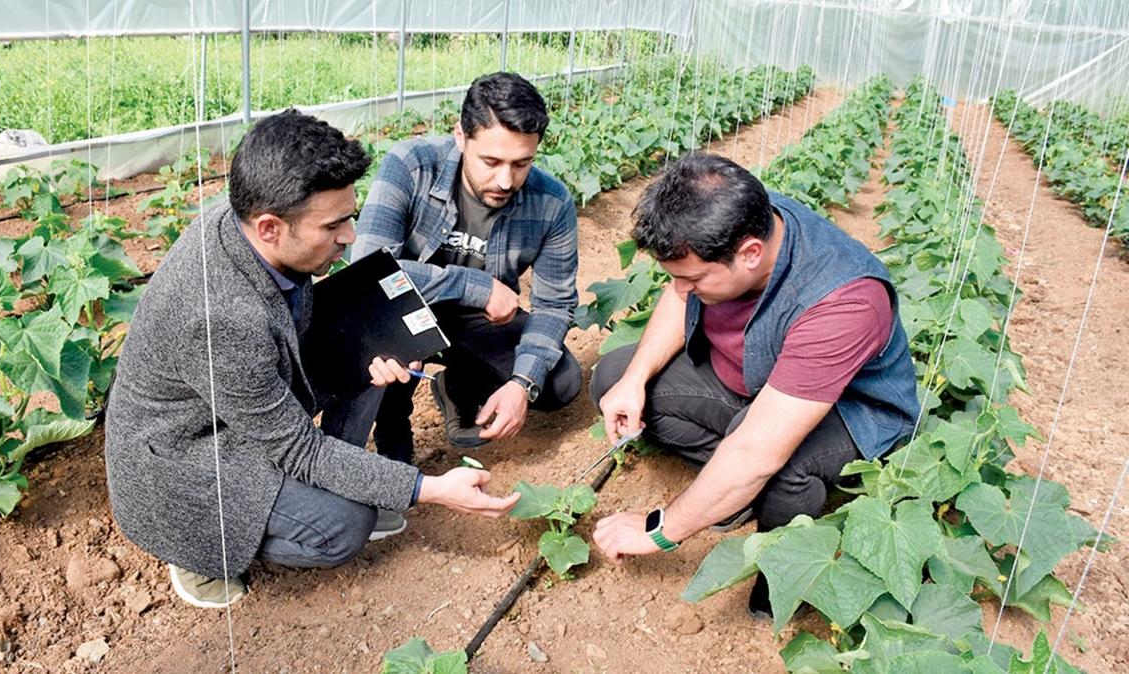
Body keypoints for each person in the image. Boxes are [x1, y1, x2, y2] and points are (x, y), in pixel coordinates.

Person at [104, 110, 519, 610]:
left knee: (374, 350)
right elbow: (299, 450)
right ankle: (199, 551)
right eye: (334, 224)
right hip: (181, 459)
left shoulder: (247, 224)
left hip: (239, 401)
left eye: (350, 215)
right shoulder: (221, 316)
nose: (349, 235)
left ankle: (346, 489)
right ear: (270, 227)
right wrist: (426, 488)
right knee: (345, 527)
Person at [588, 153, 919, 617]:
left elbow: (757, 450)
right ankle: (734, 490)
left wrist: (660, 529)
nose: (681, 290)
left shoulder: (846, 301)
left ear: (749, 254)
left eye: (694, 280)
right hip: (753, 378)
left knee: (783, 467)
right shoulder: (734, 222)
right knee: (614, 378)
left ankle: (776, 584)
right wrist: (635, 379)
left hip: (848, 409)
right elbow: (678, 288)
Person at [353, 72, 581, 463]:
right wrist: (476, 285)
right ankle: (393, 433)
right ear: (461, 136)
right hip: (406, 311)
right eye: (491, 161)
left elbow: (554, 307)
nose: (506, 180)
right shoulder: (410, 166)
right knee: (378, 333)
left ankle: (458, 389)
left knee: (559, 381)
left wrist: (522, 384)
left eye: (521, 163)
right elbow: (369, 274)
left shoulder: (552, 203)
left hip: (476, 322)